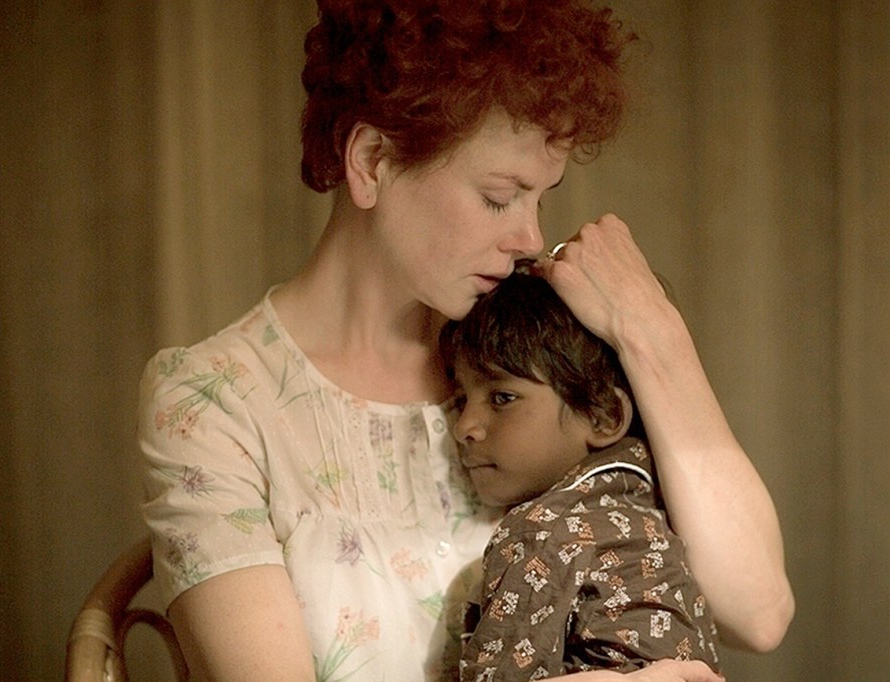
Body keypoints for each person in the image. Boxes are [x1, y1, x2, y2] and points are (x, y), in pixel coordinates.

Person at [137, 1, 794, 680]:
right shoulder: (211, 403)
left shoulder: (531, 348)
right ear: (372, 160)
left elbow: (758, 612)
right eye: (499, 196)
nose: (531, 238)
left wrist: (650, 330)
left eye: (541, 198)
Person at [440, 269, 721, 678]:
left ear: (604, 415)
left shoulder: (539, 532)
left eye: (502, 397)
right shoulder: (657, 505)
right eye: (461, 400)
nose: (464, 426)